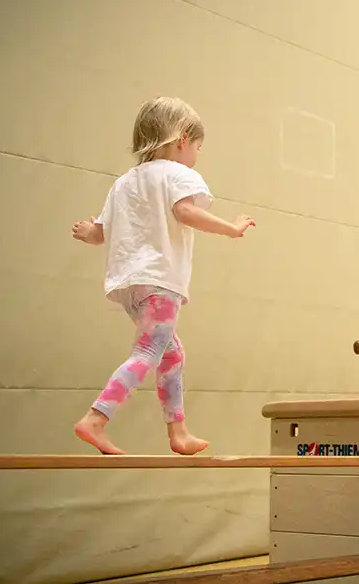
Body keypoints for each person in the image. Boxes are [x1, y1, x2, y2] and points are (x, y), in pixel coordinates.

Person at [70, 97, 255, 455]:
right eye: (197, 147)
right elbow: (185, 212)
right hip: (159, 281)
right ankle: (96, 418)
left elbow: (100, 233)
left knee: (171, 354)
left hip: (129, 284)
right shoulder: (178, 174)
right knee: (148, 351)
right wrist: (231, 229)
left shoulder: (123, 183)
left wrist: (86, 232)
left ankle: (178, 432)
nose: (196, 155)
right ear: (183, 139)